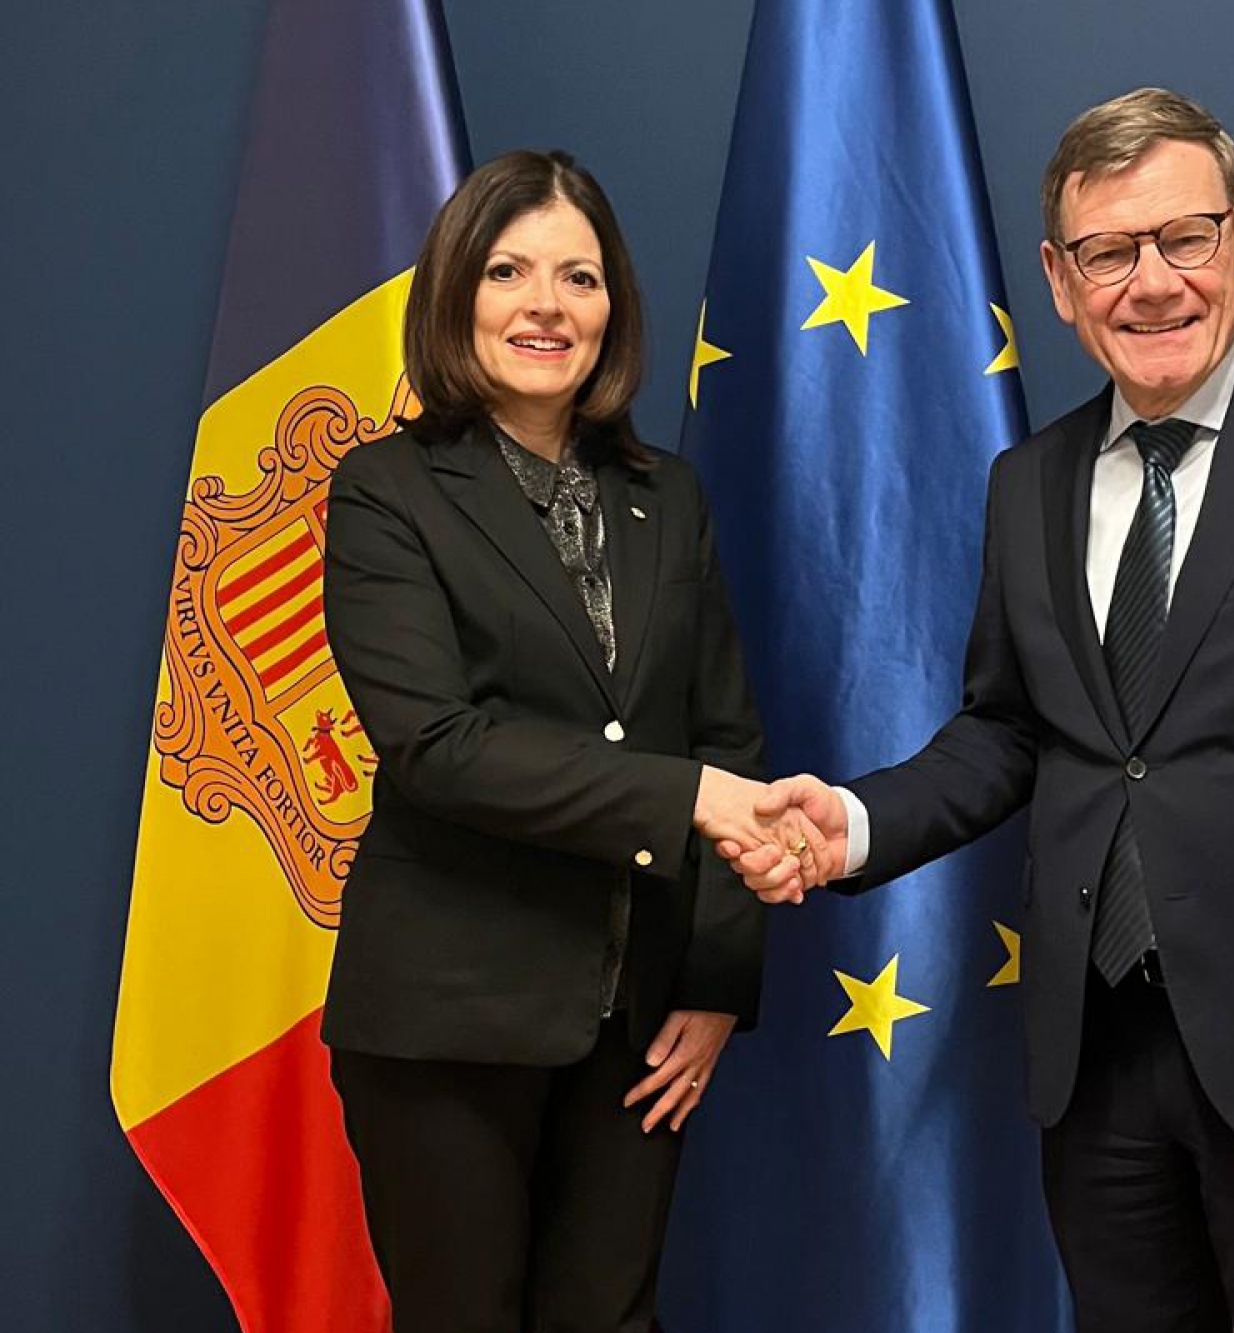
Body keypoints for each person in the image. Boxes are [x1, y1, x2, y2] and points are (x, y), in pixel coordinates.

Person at [730, 90, 1234, 1332]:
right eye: (1107, 252)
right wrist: (854, 822)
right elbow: (1007, 729)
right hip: (1093, 1058)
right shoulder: (1027, 481)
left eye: (1183, 238)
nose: (1151, 284)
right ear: (1059, 281)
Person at [320, 149, 819, 1333]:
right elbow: (437, 745)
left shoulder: (668, 496)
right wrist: (683, 797)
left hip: (637, 1017)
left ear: (612, 307)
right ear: (455, 295)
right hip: (449, 1015)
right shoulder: (386, 490)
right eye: (508, 271)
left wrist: (714, 980)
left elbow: (728, 740)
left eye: (578, 277)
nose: (546, 305)